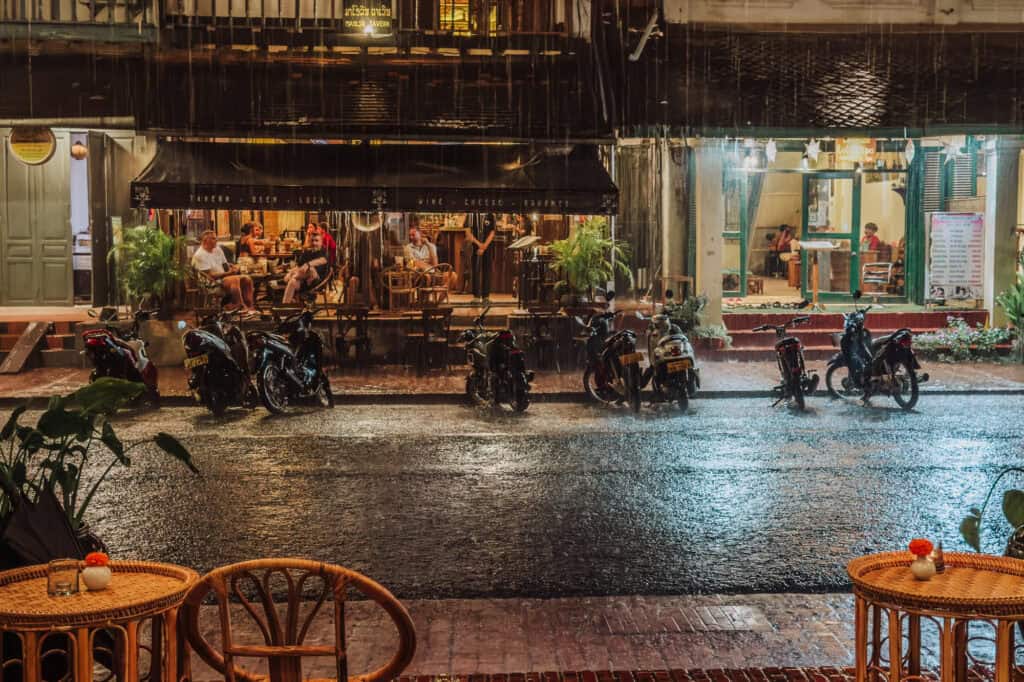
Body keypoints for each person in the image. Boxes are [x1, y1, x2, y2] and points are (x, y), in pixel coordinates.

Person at [191, 230, 258, 315]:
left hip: (223, 278)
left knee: (247, 279)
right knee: (234, 280)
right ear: (205, 241)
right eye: (213, 239)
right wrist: (228, 273)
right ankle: (239, 304)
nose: (216, 241)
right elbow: (210, 276)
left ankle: (250, 306)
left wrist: (233, 267)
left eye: (216, 238)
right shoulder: (200, 255)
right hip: (211, 283)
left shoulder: (217, 249)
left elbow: (225, 265)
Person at [283, 230, 330, 304]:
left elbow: (323, 260)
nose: (314, 243)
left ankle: (294, 276)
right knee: (292, 282)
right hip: (303, 281)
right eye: (312, 240)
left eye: (316, 241)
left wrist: (308, 264)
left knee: (311, 270)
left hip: (316, 281)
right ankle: (284, 308)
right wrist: (289, 273)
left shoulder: (323, 251)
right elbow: (298, 266)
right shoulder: (307, 252)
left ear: (321, 242)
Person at [465, 212, 496, 303]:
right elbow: (468, 232)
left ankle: (486, 296)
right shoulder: (471, 214)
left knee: (487, 270)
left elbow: (492, 232)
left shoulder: (491, 215)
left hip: (487, 246)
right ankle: (476, 296)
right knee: (476, 270)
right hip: (474, 247)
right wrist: (479, 245)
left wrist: (484, 246)